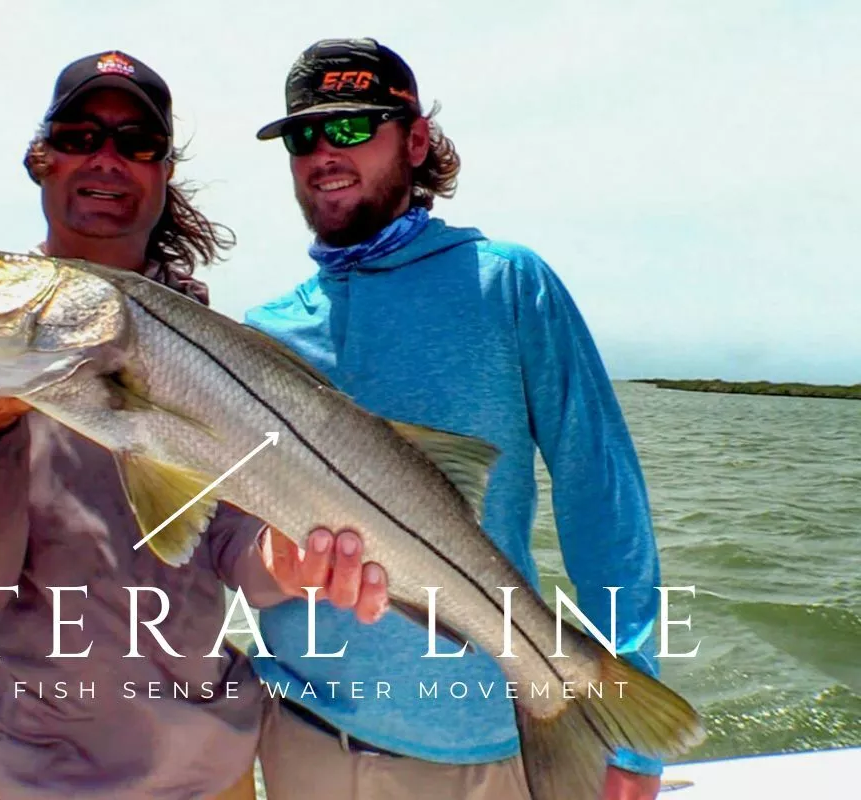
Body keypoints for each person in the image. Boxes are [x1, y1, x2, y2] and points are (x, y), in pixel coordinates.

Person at [0, 50, 388, 800]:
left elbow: (222, 541)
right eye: (81, 135)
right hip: (38, 783)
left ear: (163, 174)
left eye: (137, 143)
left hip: (220, 775)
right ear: (42, 159)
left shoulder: (212, 346)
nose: (107, 159)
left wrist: (285, 566)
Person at [243, 37, 667, 800]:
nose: (321, 154)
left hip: (490, 750)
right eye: (303, 135)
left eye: (350, 128)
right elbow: (234, 541)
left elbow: (603, 505)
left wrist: (628, 730)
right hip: (306, 744)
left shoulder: (510, 285)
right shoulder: (264, 333)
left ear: (416, 140)